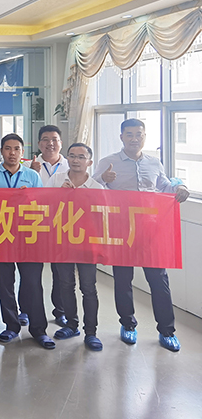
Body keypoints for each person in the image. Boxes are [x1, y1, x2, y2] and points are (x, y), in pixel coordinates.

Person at [93, 118, 189, 352]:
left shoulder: (154, 163)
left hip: (150, 231)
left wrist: (180, 187)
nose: (134, 138)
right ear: (121, 137)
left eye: (139, 134)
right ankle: (128, 325)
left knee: (159, 281)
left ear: (144, 136)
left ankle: (167, 331)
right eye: (130, 134)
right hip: (121, 232)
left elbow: (164, 186)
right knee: (123, 281)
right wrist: (103, 180)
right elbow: (91, 189)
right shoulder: (108, 162)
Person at [0, 133, 55, 349]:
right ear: (1, 151)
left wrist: (29, 196)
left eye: (16, 149)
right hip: (0, 236)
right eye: (7, 148)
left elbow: (42, 205)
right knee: (4, 284)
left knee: (33, 283)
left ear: (22, 153)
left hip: (28, 237)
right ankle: (11, 326)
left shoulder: (32, 176)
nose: (12, 153)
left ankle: (38, 330)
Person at [47, 142, 105, 351]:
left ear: (89, 162)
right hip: (61, 243)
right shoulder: (56, 180)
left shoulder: (97, 188)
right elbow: (45, 207)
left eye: (81, 157)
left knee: (88, 288)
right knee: (65, 284)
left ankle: (91, 332)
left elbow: (101, 218)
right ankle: (71, 325)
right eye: (72, 155)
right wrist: (60, 195)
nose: (76, 160)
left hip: (87, 245)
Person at [25, 125, 68, 327]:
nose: (50, 143)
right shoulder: (27, 166)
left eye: (54, 139)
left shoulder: (71, 166)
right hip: (33, 225)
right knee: (30, 272)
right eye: (45, 139)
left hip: (61, 226)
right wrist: (31, 174)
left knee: (61, 273)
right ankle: (26, 309)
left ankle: (60, 311)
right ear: (39, 143)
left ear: (61, 143)